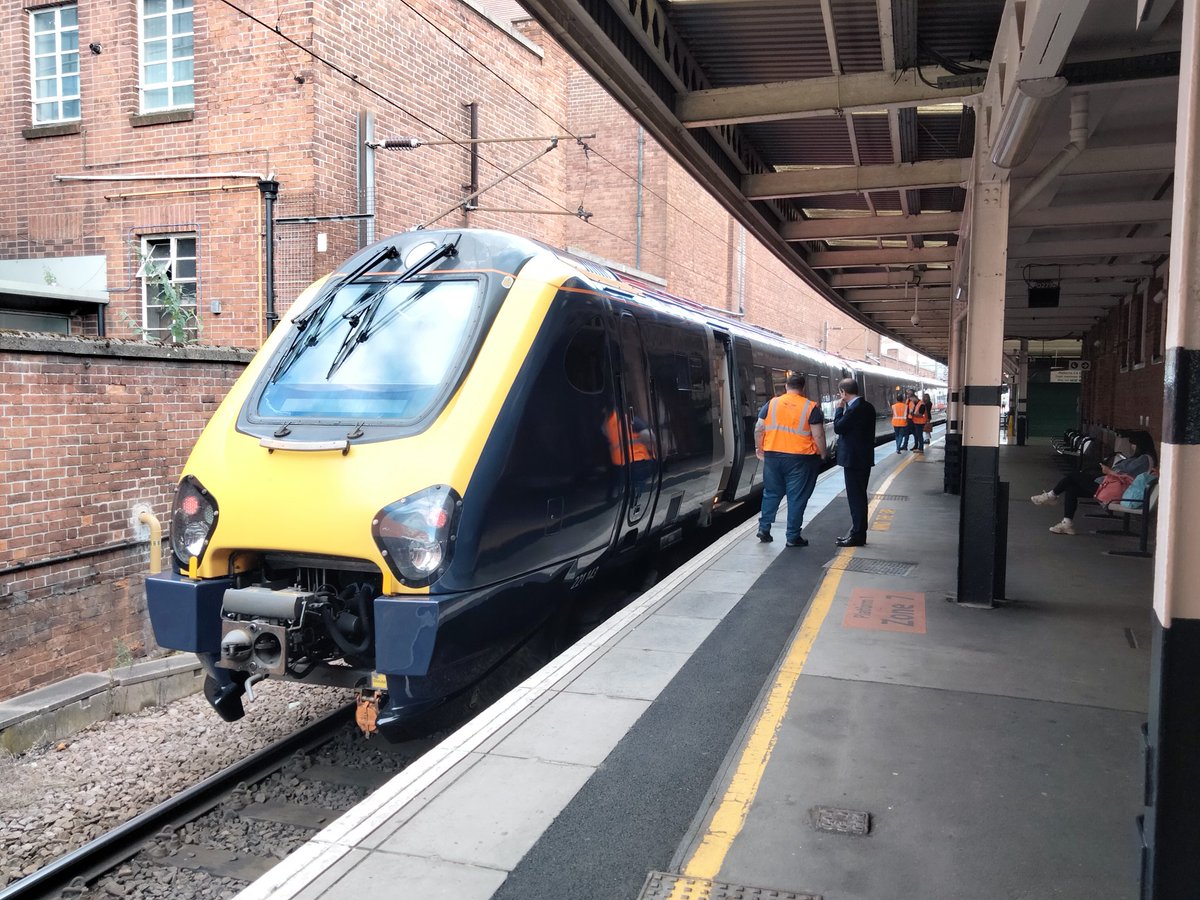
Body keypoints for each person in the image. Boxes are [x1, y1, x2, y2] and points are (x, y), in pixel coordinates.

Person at [1030, 431, 1157, 534]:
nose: (1132, 447)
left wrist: (1108, 471)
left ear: (1141, 445)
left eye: (1134, 444)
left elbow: (1125, 476)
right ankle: (1066, 523)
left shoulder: (1144, 460)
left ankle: (1051, 496)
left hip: (1114, 490)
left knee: (1073, 476)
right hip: (1109, 486)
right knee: (1072, 488)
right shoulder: (1142, 458)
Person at [755, 372, 827, 547]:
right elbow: (818, 435)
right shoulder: (810, 407)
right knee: (797, 497)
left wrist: (760, 448)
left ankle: (764, 528)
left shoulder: (772, 403)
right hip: (800, 459)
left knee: (771, 493)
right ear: (803, 388)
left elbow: (759, 428)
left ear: (786, 386)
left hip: (773, 456)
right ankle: (792, 537)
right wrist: (823, 453)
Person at [832, 377, 876, 547]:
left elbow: (838, 427)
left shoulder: (854, 409)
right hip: (863, 459)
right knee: (859, 496)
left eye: (840, 392)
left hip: (853, 461)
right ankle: (858, 533)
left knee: (856, 498)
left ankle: (857, 535)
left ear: (843, 392)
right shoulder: (868, 406)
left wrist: (839, 409)